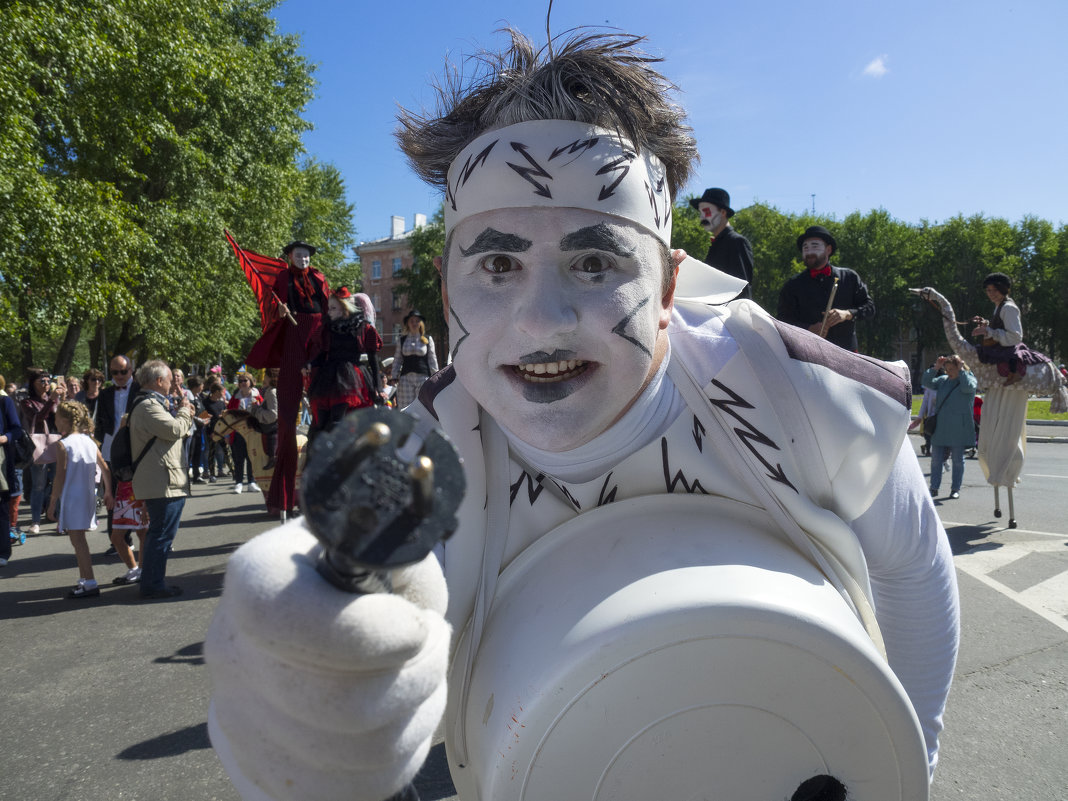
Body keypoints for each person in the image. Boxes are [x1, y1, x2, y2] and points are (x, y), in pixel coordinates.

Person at [206, 29, 958, 800]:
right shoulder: (434, 461)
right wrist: (312, 712)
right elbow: (356, 699)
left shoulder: (796, 393)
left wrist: (904, 763)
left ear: (668, 288)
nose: (540, 321)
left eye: (594, 262)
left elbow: (913, 567)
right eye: (497, 264)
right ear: (446, 284)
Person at [246, 240, 330, 518]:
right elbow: (272, 307)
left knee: (324, 398)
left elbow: (329, 309)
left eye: (306, 255)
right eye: (298, 255)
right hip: (294, 333)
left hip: (317, 335)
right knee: (286, 415)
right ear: (291, 257)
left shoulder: (318, 277)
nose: (303, 258)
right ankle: (282, 495)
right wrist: (280, 312)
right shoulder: (283, 278)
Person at [128, 360, 193, 599]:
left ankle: (154, 582)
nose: (172, 383)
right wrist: (185, 409)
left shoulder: (150, 404)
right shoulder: (148, 406)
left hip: (162, 478)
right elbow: (175, 430)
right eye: (169, 379)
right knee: (161, 535)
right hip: (162, 481)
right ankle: (153, 585)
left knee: (160, 534)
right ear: (158, 381)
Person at [46, 401, 114, 598]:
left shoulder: (63, 444)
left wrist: (52, 503)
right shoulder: (88, 441)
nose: (55, 421)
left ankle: (90, 582)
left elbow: (60, 477)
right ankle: (85, 580)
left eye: (57, 417)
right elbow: (105, 468)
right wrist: (108, 491)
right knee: (78, 540)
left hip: (73, 497)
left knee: (79, 541)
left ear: (66, 420)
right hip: (87, 495)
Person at [776, 225, 874, 351]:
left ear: (828, 249)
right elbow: (782, 321)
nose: (809, 252)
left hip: (846, 353)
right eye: (805, 248)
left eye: (815, 246)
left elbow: (870, 308)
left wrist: (848, 314)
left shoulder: (849, 277)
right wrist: (808, 328)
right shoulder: (792, 285)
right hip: (809, 353)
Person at [306, 287, 383, 439]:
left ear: (344, 309)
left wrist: (378, 386)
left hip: (351, 378)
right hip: (328, 378)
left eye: (333, 308)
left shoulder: (363, 328)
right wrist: (309, 364)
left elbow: (373, 359)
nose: (329, 312)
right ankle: (318, 456)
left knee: (337, 420)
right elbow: (321, 354)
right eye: (329, 308)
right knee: (320, 423)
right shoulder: (327, 328)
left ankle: (337, 454)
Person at [970, 272, 1049, 387]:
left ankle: (1014, 374)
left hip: (1007, 349)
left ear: (1004, 289)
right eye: (988, 290)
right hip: (1000, 346)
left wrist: (988, 331)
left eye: (995, 290)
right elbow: (1000, 325)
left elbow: (1015, 337)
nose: (991, 293)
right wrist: (985, 323)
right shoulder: (999, 306)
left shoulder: (1008, 308)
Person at [94, 355, 140, 548]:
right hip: (111, 449)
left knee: (139, 494)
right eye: (115, 372)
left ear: (131, 370)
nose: (119, 376)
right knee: (113, 495)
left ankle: (151, 539)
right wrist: (96, 445)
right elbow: (100, 424)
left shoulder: (141, 390)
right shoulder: (104, 394)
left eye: (123, 371)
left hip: (136, 448)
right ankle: (118, 541)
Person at [921, 355, 977, 500]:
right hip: (941, 427)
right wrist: (936, 367)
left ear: (960, 368)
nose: (949, 372)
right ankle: (934, 487)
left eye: (952, 369)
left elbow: (968, 388)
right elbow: (926, 382)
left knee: (958, 460)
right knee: (936, 460)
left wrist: (962, 370)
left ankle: (955, 488)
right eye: (947, 369)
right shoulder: (942, 381)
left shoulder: (968, 379)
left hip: (959, 428)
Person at [19, 367, 65, 535]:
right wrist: (51, 401)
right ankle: (36, 521)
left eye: (48, 381)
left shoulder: (55, 399)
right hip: (40, 446)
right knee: (38, 485)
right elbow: (37, 418)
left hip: (57, 443)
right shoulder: (27, 402)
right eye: (42, 381)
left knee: (58, 482)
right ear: (33, 384)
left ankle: (60, 518)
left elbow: (63, 418)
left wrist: (62, 398)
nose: (46, 384)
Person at [689, 187, 753, 300]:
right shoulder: (716, 244)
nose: (701, 217)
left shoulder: (737, 242)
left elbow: (742, 291)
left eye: (706, 211)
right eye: (700, 212)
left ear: (723, 212)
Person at [394, 309, 438, 409]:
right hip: (406, 379)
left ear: (420, 323)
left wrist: (436, 377)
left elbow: (432, 360)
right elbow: (397, 360)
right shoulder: (402, 340)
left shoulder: (427, 339)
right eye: (411, 321)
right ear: (408, 324)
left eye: (417, 320)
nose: (414, 323)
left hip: (423, 379)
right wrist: (394, 376)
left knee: (424, 407)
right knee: (406, 408)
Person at [227, 372, 262, 494]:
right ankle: (239, 482)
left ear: (251, 382)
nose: (242, 383)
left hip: (252, 432)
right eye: (240, 381)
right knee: (238, 458)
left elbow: (262, 413)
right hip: (238, 432)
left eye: (245, 380)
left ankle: (251, 482)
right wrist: (228, 434)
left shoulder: (257, 396)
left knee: (251, 457)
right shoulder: (235, 397)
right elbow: (228, 417)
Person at [0, 389, 24, 567]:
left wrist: (4, 438)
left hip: (1, 461)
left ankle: (3, 552)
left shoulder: (4, 401)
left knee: (1, 509)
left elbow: (17, 429)